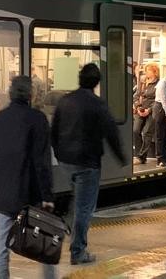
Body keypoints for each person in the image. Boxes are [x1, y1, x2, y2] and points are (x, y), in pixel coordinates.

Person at [51, 64, 125, 265]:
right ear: (96, 82)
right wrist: (121, 158)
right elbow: (111, 132)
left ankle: (70, 228)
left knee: (78, 202)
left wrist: (58, 153)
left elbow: (54, 130)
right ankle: (78, 251)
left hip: (66, 161)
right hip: (87, 163)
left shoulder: (65, 100)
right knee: (85, 208)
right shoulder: (97, 104)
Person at [0, 76, 57, 279]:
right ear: (31, 94)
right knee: (45, 242)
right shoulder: (38, 119)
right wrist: (47, 195)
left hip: (4, 191)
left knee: (2, 244)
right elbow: (42, 161)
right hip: (31, 191)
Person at [132, 62, 159, 164]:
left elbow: (158, 100)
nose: (146, 73)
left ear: (154, 72)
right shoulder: (142, 82)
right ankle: (138, 154)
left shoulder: (158, 84)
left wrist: (149, 110)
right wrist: (138, 107)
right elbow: (135, 96)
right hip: (141, 110)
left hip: (152, 111)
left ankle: (141, 156)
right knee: (136, 130)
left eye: (148, 70)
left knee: (147, 132)